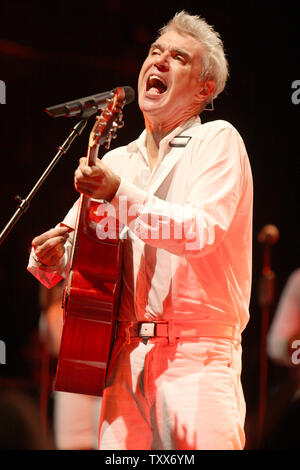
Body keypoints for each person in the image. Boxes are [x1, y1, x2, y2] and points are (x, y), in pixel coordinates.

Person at [27, 11, 253, 450]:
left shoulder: (218, 142)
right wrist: (50, 257)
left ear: (204, 88)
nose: (160, 61)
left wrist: (117, 193)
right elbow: (72, 253)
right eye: (155, 52)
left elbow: (199, 233)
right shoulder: (118, 163)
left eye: (178, 57)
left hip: (198, 360)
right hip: (123, 361)